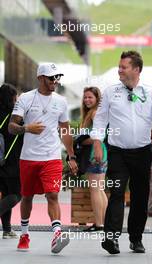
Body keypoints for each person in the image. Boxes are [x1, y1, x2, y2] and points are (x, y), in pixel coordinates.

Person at [90, 50, 152, 254]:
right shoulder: (110, 92)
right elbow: (100, 119)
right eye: (119, 67)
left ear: (136, 69)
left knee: (140, 197)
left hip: (142, 153)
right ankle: (111, 239)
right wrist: (98, 143)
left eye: (123, 67)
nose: (119, 70)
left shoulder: (151, 93)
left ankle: (136, 239)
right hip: (117, 152)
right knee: (117, 193)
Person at [8, 63, 78, 253]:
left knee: (53, 194)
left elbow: (65, 130)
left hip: (52, 157)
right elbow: (11, 126)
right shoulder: (26, 98)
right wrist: (26, 128)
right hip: (29, 158)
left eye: (57, 77)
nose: (55, 81)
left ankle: (57, 233)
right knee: (27, 197)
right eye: (51, 78)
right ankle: (24, 234)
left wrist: (71, 156)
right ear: (40, 78)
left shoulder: (61, 101)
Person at [80, 87, 108, 231]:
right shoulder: (91, 113)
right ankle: (102, 222)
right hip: (100, 153)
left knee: (95, 189)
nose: (87, 100)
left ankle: (99, 224)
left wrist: (81, 141)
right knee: (99, 189)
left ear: (97, 99)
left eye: (90, 97)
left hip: (95, 154)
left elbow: (99, 135)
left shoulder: (95, 113)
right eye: (85, 97)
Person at [0, 83, 22, 239]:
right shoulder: (14, 117)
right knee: (16, 194)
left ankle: (7, 229)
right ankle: (7, 229)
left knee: (6, 194)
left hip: (1, 162)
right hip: (12, 161)